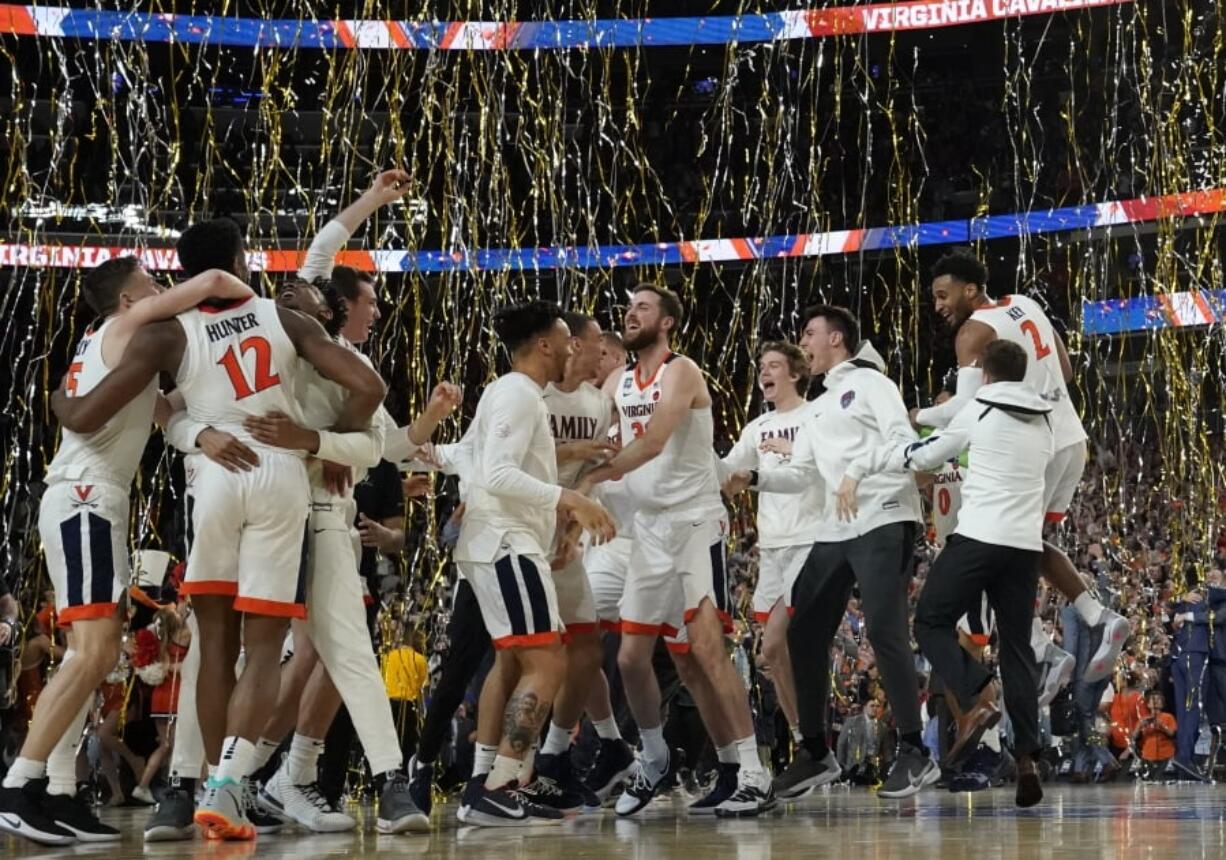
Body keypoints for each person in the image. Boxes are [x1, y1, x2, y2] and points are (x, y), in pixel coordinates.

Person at [49, 218, 387, 841]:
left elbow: (120, 410)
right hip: (279, 471)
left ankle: (206, 783)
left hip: (213, 475)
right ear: (238, 261)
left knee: (211, 649)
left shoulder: (165, 331)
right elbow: (369, 385)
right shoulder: (283, 317)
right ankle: (230, 786)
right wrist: (333, 446)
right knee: (264, 648)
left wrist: (62, 401)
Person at [0, 256, 254, 846]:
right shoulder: (123, 328)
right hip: (86, 497)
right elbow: (215, 282)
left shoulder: (109, 343)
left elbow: (163, 415)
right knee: (92, 652)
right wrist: (258, 312)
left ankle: (59, 790)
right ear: (126, 301)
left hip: (93, 498)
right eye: (151, 284)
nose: (162, 290)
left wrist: (201, 428)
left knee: (92, 652)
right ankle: (19, 785)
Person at [834, 339, 1053, 808]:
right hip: (1024, 547)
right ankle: (1028, 758)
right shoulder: (1044, 418)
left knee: (930, 621)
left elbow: (924, 457)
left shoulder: (979, 410)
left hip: (977, 538)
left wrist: (869, 462)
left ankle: (977, 690)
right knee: (1017, 650)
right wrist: (926, 415)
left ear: (987, 376)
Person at [581, 285, 774, 817]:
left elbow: (654, 441)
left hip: (693, 524)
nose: (630, 312)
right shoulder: (618, 381)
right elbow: (606, 442)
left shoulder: (682, 371)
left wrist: (593, 477)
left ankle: (753, 770)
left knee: (708, 653)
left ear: (666, 323)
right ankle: (657, 754)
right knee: (632, 657)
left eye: (642, 306)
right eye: (630, 305)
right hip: (647, 531)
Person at [727, 305, 934, 800]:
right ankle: (816, 752)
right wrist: (752, 477)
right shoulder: (818, 407)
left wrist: (856, 471)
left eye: (809, 332)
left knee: (884, 629)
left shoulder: (870, 384)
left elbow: (903, 441)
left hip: (883, 515)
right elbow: (801, 474)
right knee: (801, 633)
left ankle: (914, 750)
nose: (805, 341)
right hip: (835, 528)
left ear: (836, 338)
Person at [918, 250, 1129, 682]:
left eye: (943, 294)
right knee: (1022, 546)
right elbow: (1067, 371)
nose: (938, 305)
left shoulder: (972, 333)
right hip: (1071, 438)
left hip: (1034, 446)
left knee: (1006, 544)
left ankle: (1090, 621)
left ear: (970, 289)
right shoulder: (1027, 303)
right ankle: (1049, 641)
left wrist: (913, 417)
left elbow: (964, 407)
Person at [453, 301, 616, 827]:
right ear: (544, 343)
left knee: (519, 661)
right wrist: (572, 501)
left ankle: (492, 780)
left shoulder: (513, 394)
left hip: (502, 542)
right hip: (505, 543)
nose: (573, 345)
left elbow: (471, 458)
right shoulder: (519, 394)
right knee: (548, 662)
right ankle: (498, 783)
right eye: (567, 336)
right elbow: (498, 474)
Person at [524, 310, 626, 812]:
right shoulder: (531, 392)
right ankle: (498, 772)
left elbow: (594, 469)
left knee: (586, 648)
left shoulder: (598, 404)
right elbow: (522, 455)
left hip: (565, 536)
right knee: (516, 656)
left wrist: (573, 522)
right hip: (521, 529)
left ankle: (553, 757)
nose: (593, 354)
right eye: (590, 346)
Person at [716, 341, 822, 749]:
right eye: (761, 365)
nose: (765, 371)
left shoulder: (816, 416)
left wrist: (793, 450)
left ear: (795, 374)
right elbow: (728, 472)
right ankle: (804, 739)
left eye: (774, 365)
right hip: (772, 549)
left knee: (775, 642)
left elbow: (831, 464)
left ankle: (811, 740)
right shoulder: (756, 428)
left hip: (810, 542)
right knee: (776, 656)